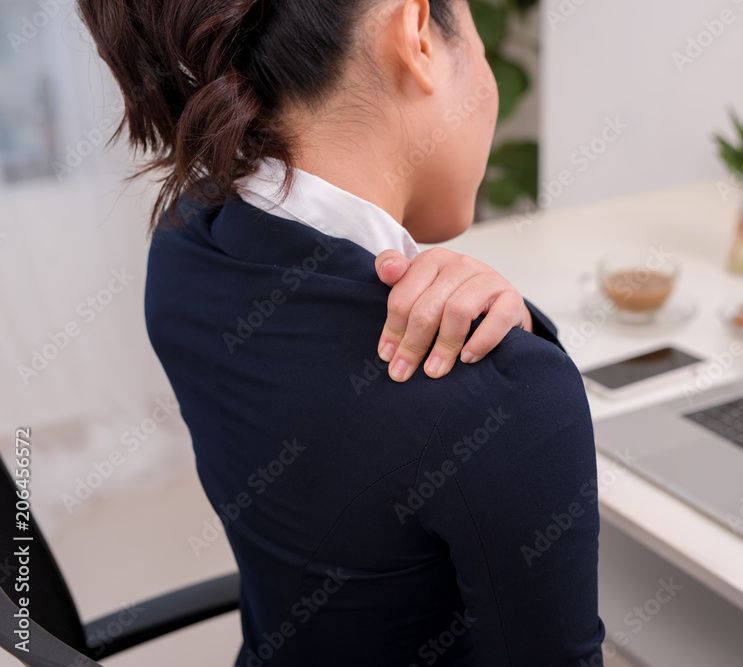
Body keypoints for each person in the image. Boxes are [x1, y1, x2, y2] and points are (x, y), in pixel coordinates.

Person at [78, 0, 606, 664]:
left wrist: (517, 330)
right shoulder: (499, 393)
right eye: (475, 37)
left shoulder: (187, 240)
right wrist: (523, 359)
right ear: (417, 34)